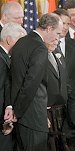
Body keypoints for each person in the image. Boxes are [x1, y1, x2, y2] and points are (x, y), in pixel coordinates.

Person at [11, 13, 63, 151]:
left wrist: (15, 109)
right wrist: (18, 111)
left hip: (22, 117)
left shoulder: (21, 42)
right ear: (49, 28)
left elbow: (15, 80)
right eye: (57, 32)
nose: (59, 36)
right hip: (33, 116)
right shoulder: (40, 48)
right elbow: (31, 83)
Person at [0, 22, 26, 151]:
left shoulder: (6, 58)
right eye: (20, 42)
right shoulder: (1, 59)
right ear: (9, 40)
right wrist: (4, 121)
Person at [53, 9, 75, 91]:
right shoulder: (44, 45)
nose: (65, 27)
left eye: (68, 24)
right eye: (63, 23)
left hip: (71, 95)